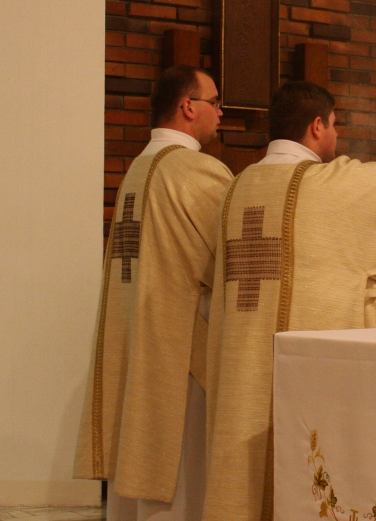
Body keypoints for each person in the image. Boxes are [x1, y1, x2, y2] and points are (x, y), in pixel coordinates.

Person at [202, 81, 376, 521]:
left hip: (245, 373)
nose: (336, 135)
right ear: (316, 126)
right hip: (312, 378)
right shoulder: (330, 185)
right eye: (333, 125)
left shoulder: (237, 189)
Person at [74, 66, 234, 521]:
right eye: (214, 102)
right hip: (180, 349)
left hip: (138, 338)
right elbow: (227, 258)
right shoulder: (193, 170)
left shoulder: (141, 166)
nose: (221, 112)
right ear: (188, 107)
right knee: (182, 477)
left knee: (139, 466)